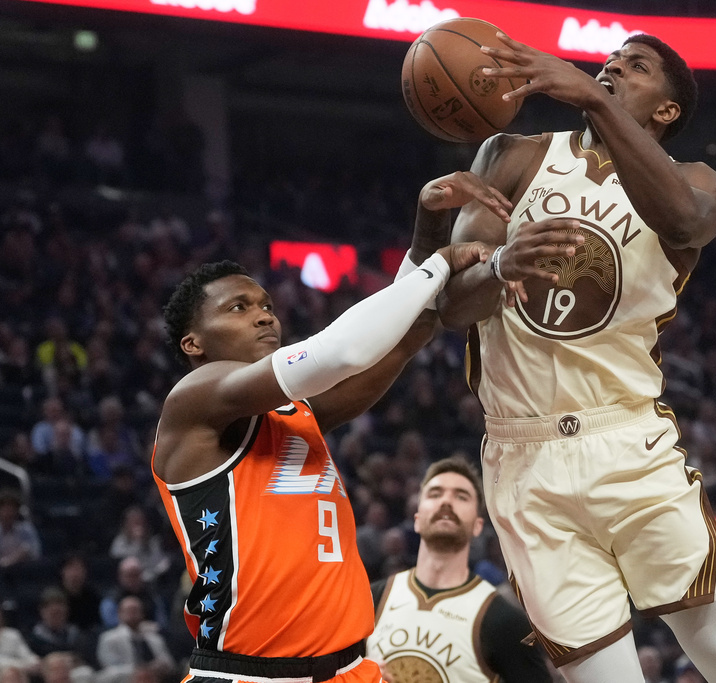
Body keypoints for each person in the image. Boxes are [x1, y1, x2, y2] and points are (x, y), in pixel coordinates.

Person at [430, 29, 716, 683]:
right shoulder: (511, 154)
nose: (612, 65)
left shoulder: (696, 179)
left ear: (667, 110)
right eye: (608, 61)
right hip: (522, 457)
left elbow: (685, 225)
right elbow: (452, 307)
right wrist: (501, 263)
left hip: (628, 440)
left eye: (635, 66)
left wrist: (593, 98)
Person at [151, 174, 578, 683]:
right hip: (250, 674)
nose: (264, 317)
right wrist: (441, 263)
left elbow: (405, 332)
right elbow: (344, 351)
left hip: (350, 670)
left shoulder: (294, 413)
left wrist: (429, 224)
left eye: (266, 305)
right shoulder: (194, 400)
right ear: (193, 344)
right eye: (238, 308)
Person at [366, 456, 550, 683]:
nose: (446, 502)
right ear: (416, 518)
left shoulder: (505, 621)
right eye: (435, 494)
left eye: (461, 496)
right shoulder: (370, 600)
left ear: (477, 526)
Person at [95, 596, 175, 683]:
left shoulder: (154, 638)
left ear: (142, 613)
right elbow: (109, 667)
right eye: (129, 610)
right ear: (119, 613)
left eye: (136, 610)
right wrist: (138, 670)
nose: (132, 614)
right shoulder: (109, 638)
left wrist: (158, 667)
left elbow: (169, 662)